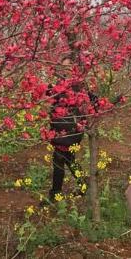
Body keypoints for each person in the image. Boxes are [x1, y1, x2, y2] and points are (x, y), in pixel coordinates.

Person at [43, 57, 94, 204]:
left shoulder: (74, 86)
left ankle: (55, 195)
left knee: (59, 160)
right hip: (68, 130)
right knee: (69, 159)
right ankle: (83, 185)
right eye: (64, 66)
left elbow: (92, 101)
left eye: (69, 66)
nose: (66, 70)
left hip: (66, 131)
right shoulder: (73, 84)